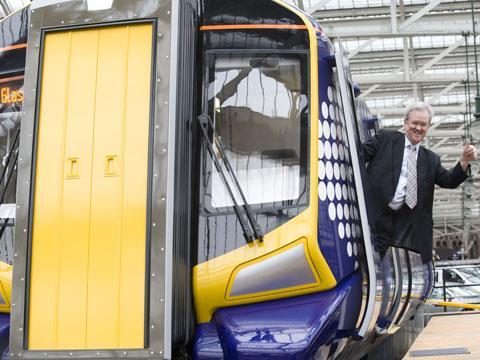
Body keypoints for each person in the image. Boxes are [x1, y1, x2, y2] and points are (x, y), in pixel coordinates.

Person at [362, 102, 477, 263]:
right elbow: (359, 155)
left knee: (398, 269)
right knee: (366, 261)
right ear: (406, 123)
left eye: (423, 124)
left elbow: (448, 181)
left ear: (428, 127)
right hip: (376, 215)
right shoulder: (386, 139)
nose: (418, 128)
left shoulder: (431, 159)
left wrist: (464, 160)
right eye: (415, 123)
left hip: (406, 225)